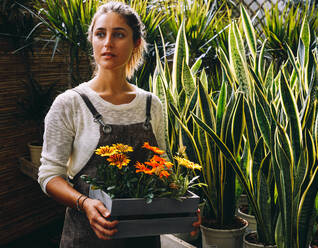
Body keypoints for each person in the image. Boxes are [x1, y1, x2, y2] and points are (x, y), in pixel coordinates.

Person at [38, 2, 200, 247]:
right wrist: (85, 203)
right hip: (87, 236)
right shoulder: (70, 104)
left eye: (119, 34)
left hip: (143, 238)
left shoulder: (151, 104)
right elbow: (50, 176)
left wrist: (184, 208)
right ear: (91, 39)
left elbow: (162, 167)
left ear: (136, 43)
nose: (108, 43)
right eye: (100, 34)